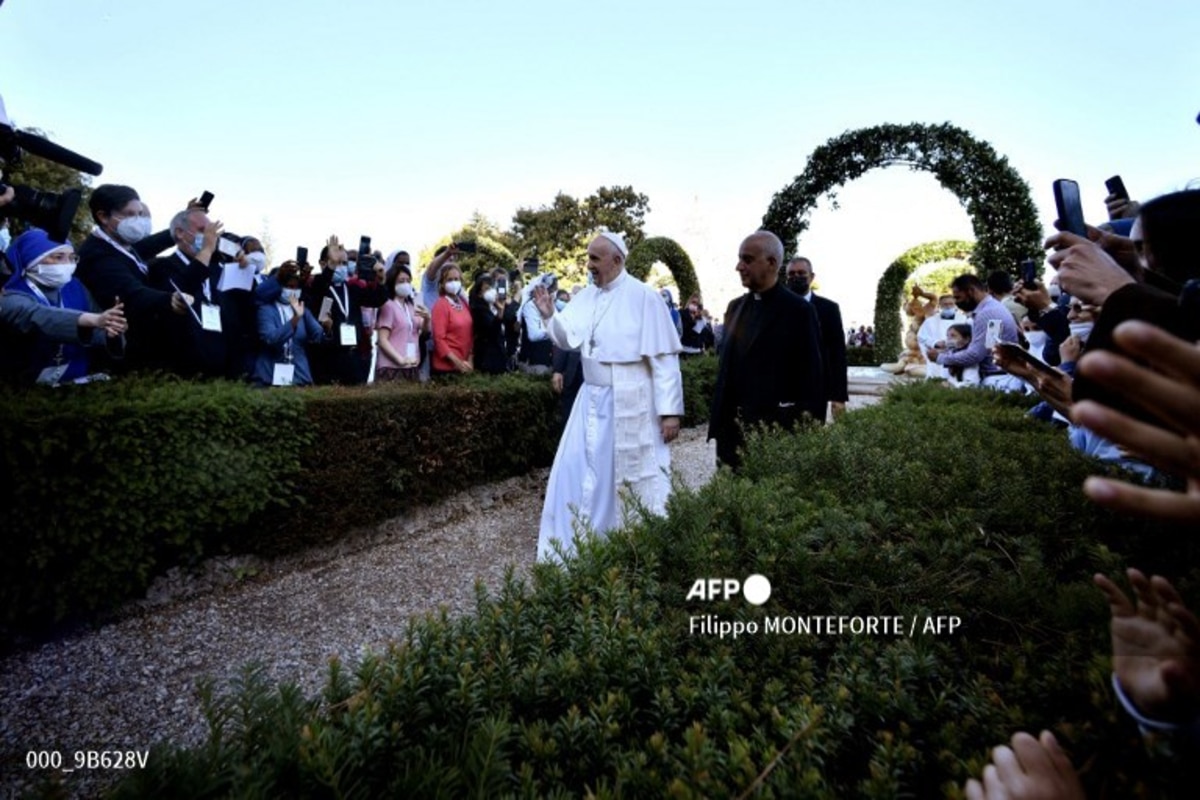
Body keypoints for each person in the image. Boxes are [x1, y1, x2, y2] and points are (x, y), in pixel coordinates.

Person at [530, 230, 683, 561]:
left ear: (617, 260)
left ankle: (626, 550)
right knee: (578, 470)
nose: (589, 265)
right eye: (589, 258)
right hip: (591, 398)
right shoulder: (586, 296)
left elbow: (664, 360)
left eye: (595, 258)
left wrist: (670, 412)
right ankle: (580, 545)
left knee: (623, 478)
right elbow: (568, 338)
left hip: (631, 400)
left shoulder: (645, 297)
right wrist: (548, 315)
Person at [708, 231, 825, 470]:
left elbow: (812, 379)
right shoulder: (735, 307)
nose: (739, 266)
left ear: (771, 263)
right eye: (739, 259)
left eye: (747, 259)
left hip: (772, 435)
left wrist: (806, 437)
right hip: (730, 434)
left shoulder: (798, 311)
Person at [75, 184, 190, 371]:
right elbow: (130, 293)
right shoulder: (97, 254)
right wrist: (169, 299)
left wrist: (178, 230)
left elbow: (146, 247)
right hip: (118, 352)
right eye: (130, 214)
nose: (139, 221)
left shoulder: (121, 244)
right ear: (103, 216)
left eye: (140, 214)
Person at [0, 228, 127, 385]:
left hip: (77, 381)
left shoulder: (74, 285)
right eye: (58, 257)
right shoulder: (9, 293)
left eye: (72, 258)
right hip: (22, 389)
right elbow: (36, 315)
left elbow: (100, 325)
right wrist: (90, 320)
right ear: (31, 258)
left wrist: (111, 331)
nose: (67, 264)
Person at [927, 273, 1021, 391]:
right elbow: (990, 346)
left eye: (958, 298)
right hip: (998, 378)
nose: (957, 303)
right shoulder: (991, 309)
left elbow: (975, 355)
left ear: (971, 291)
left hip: (997, 381)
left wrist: (941, 358)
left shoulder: (988, 313)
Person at [785, 257, 849, 419]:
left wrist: (839, 396)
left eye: (801, 273)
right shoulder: (775, 308)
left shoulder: (829, 309)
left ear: (812, 277)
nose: (796, 277)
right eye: (791, 273)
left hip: (815, 390)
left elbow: (837, 353)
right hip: (782, 391)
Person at [252, 260, 325, 387]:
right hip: (269, 376)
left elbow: (318, 336)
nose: (293, 291)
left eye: (296, 287)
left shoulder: (302, 309)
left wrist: (327, 327)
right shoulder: (265, 309)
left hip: (299, 376)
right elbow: (270, 338)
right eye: (289, 287)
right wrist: (295, 319)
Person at [374, 259, 427, 382]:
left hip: (411, 365)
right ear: (392, 283)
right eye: (401, 281)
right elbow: (382, 340)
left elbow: (423, 332)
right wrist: (400, 360)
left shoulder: (412, 305)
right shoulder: (388, 305)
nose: (406, 284)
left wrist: (427, 319)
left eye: (408, 281)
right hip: (391, 369)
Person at [430, 263, 473, 376]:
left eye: (456, 279)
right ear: (442, 284)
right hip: (446, 368)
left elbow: (470, 333)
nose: (453, 282)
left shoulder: (463, 303)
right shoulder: (441, 305)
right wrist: (457, 362)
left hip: (465, 364)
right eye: (449, 280)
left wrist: (470, 359)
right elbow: (439, 339)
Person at [469, 271, 508, 375]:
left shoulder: (490, 307)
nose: (490, 291)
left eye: (491, 288)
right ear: (479, 293)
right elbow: (492, 331)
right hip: (487, 360)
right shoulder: (478, 309)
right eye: (486, 289)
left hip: (497, 357)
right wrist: (499, 312)